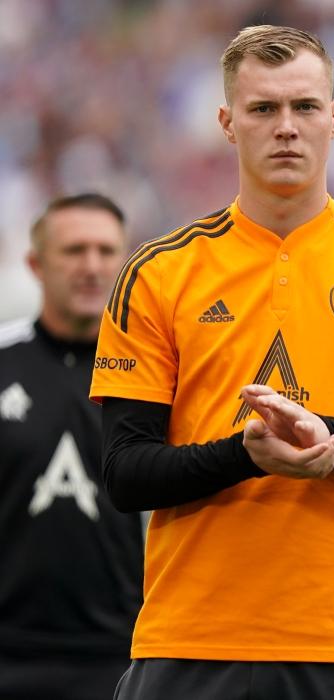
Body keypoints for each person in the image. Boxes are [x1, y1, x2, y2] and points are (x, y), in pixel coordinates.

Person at [89, 25, 334, 699]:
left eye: (304, 106)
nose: (287, 127)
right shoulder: (159, 272)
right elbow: (124, 474)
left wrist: (332, 443)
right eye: (263, 108)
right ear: (226, 123)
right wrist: (244, 457)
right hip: (189, 643)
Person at [0, 194, 141, 700]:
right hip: (8, 652)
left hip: (126, 654)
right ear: (36, 265)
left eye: (106, 251)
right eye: (74, 250)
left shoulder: (158, 373)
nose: (92, 267)